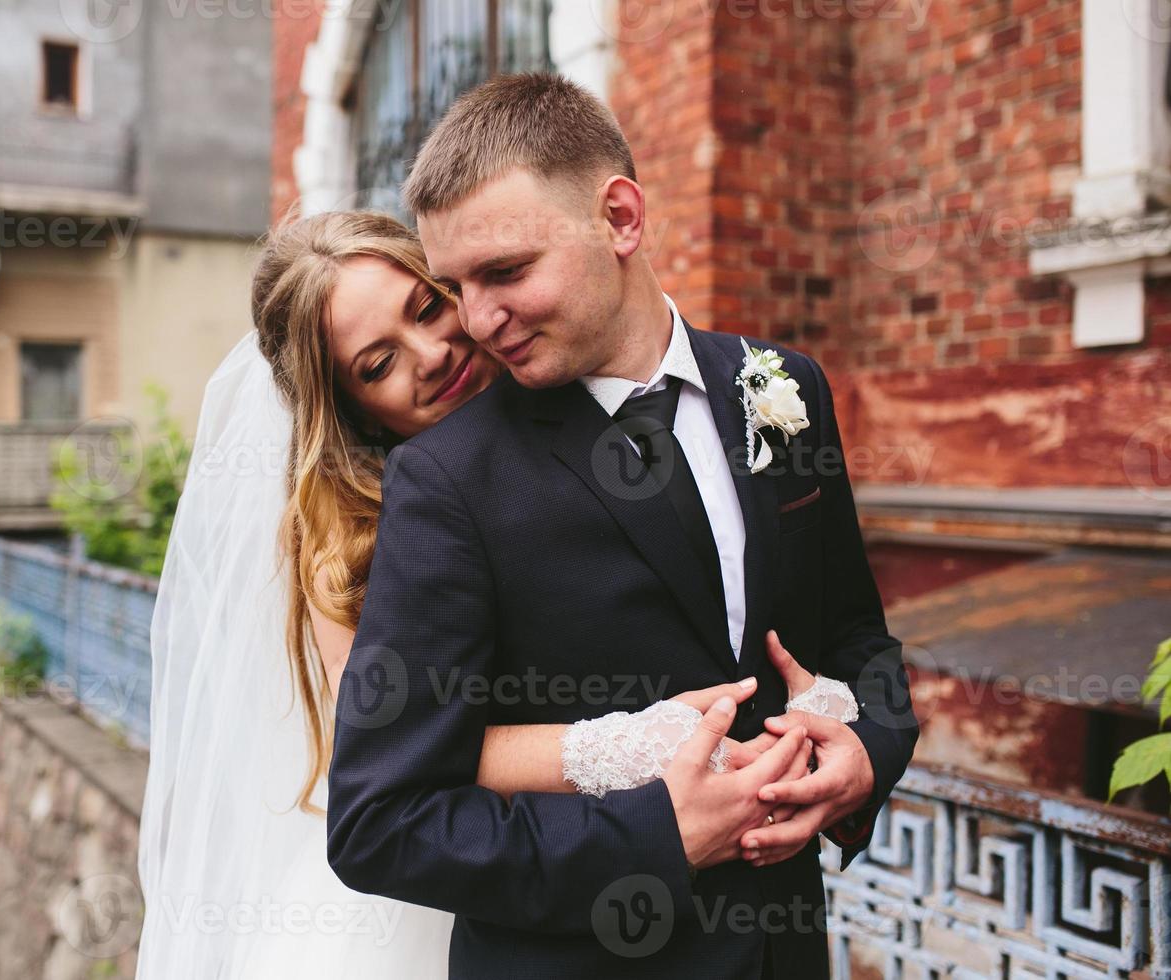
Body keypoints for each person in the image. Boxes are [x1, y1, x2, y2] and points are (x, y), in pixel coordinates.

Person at [134, 210, 862, 977]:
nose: (432, 353)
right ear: (347, 408)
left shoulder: (594, 408)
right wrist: (618, 745)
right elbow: (396, 756)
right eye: (378, 364)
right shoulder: (346, 545)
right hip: (493, 887)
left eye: (427, 308)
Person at [324, 73, 918, 978]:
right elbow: (380, 822)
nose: (477, 322)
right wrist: (653, 839)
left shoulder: (784, 387)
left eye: (507, 272)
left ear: (621, 219)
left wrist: (867, 754)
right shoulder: (448, 481)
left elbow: (856, 639)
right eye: (456, 285)